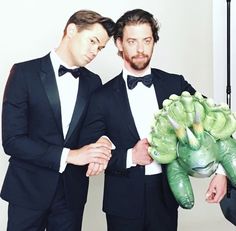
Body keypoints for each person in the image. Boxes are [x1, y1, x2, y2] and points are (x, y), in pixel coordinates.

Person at [79, 9, 227, 231]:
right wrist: (131, 156)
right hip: (122, 203)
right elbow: (87, 148)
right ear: (119, 43)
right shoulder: (102, 96)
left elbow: (216, 121)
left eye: (147, 40)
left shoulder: (175, 85)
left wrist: (222, 172)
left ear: (154, 42)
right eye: (132, 41)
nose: (141, 49)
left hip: (165, 196)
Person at [1, 10, 115, 231]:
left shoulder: (93, 82)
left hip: (71, 195)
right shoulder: (24, 73)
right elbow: (12, 140)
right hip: (27, 191)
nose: (95, 52)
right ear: (71, 30)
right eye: (92, 41)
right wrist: (70, 155)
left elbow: (96, 127)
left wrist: (103, 141)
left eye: (100, 48)